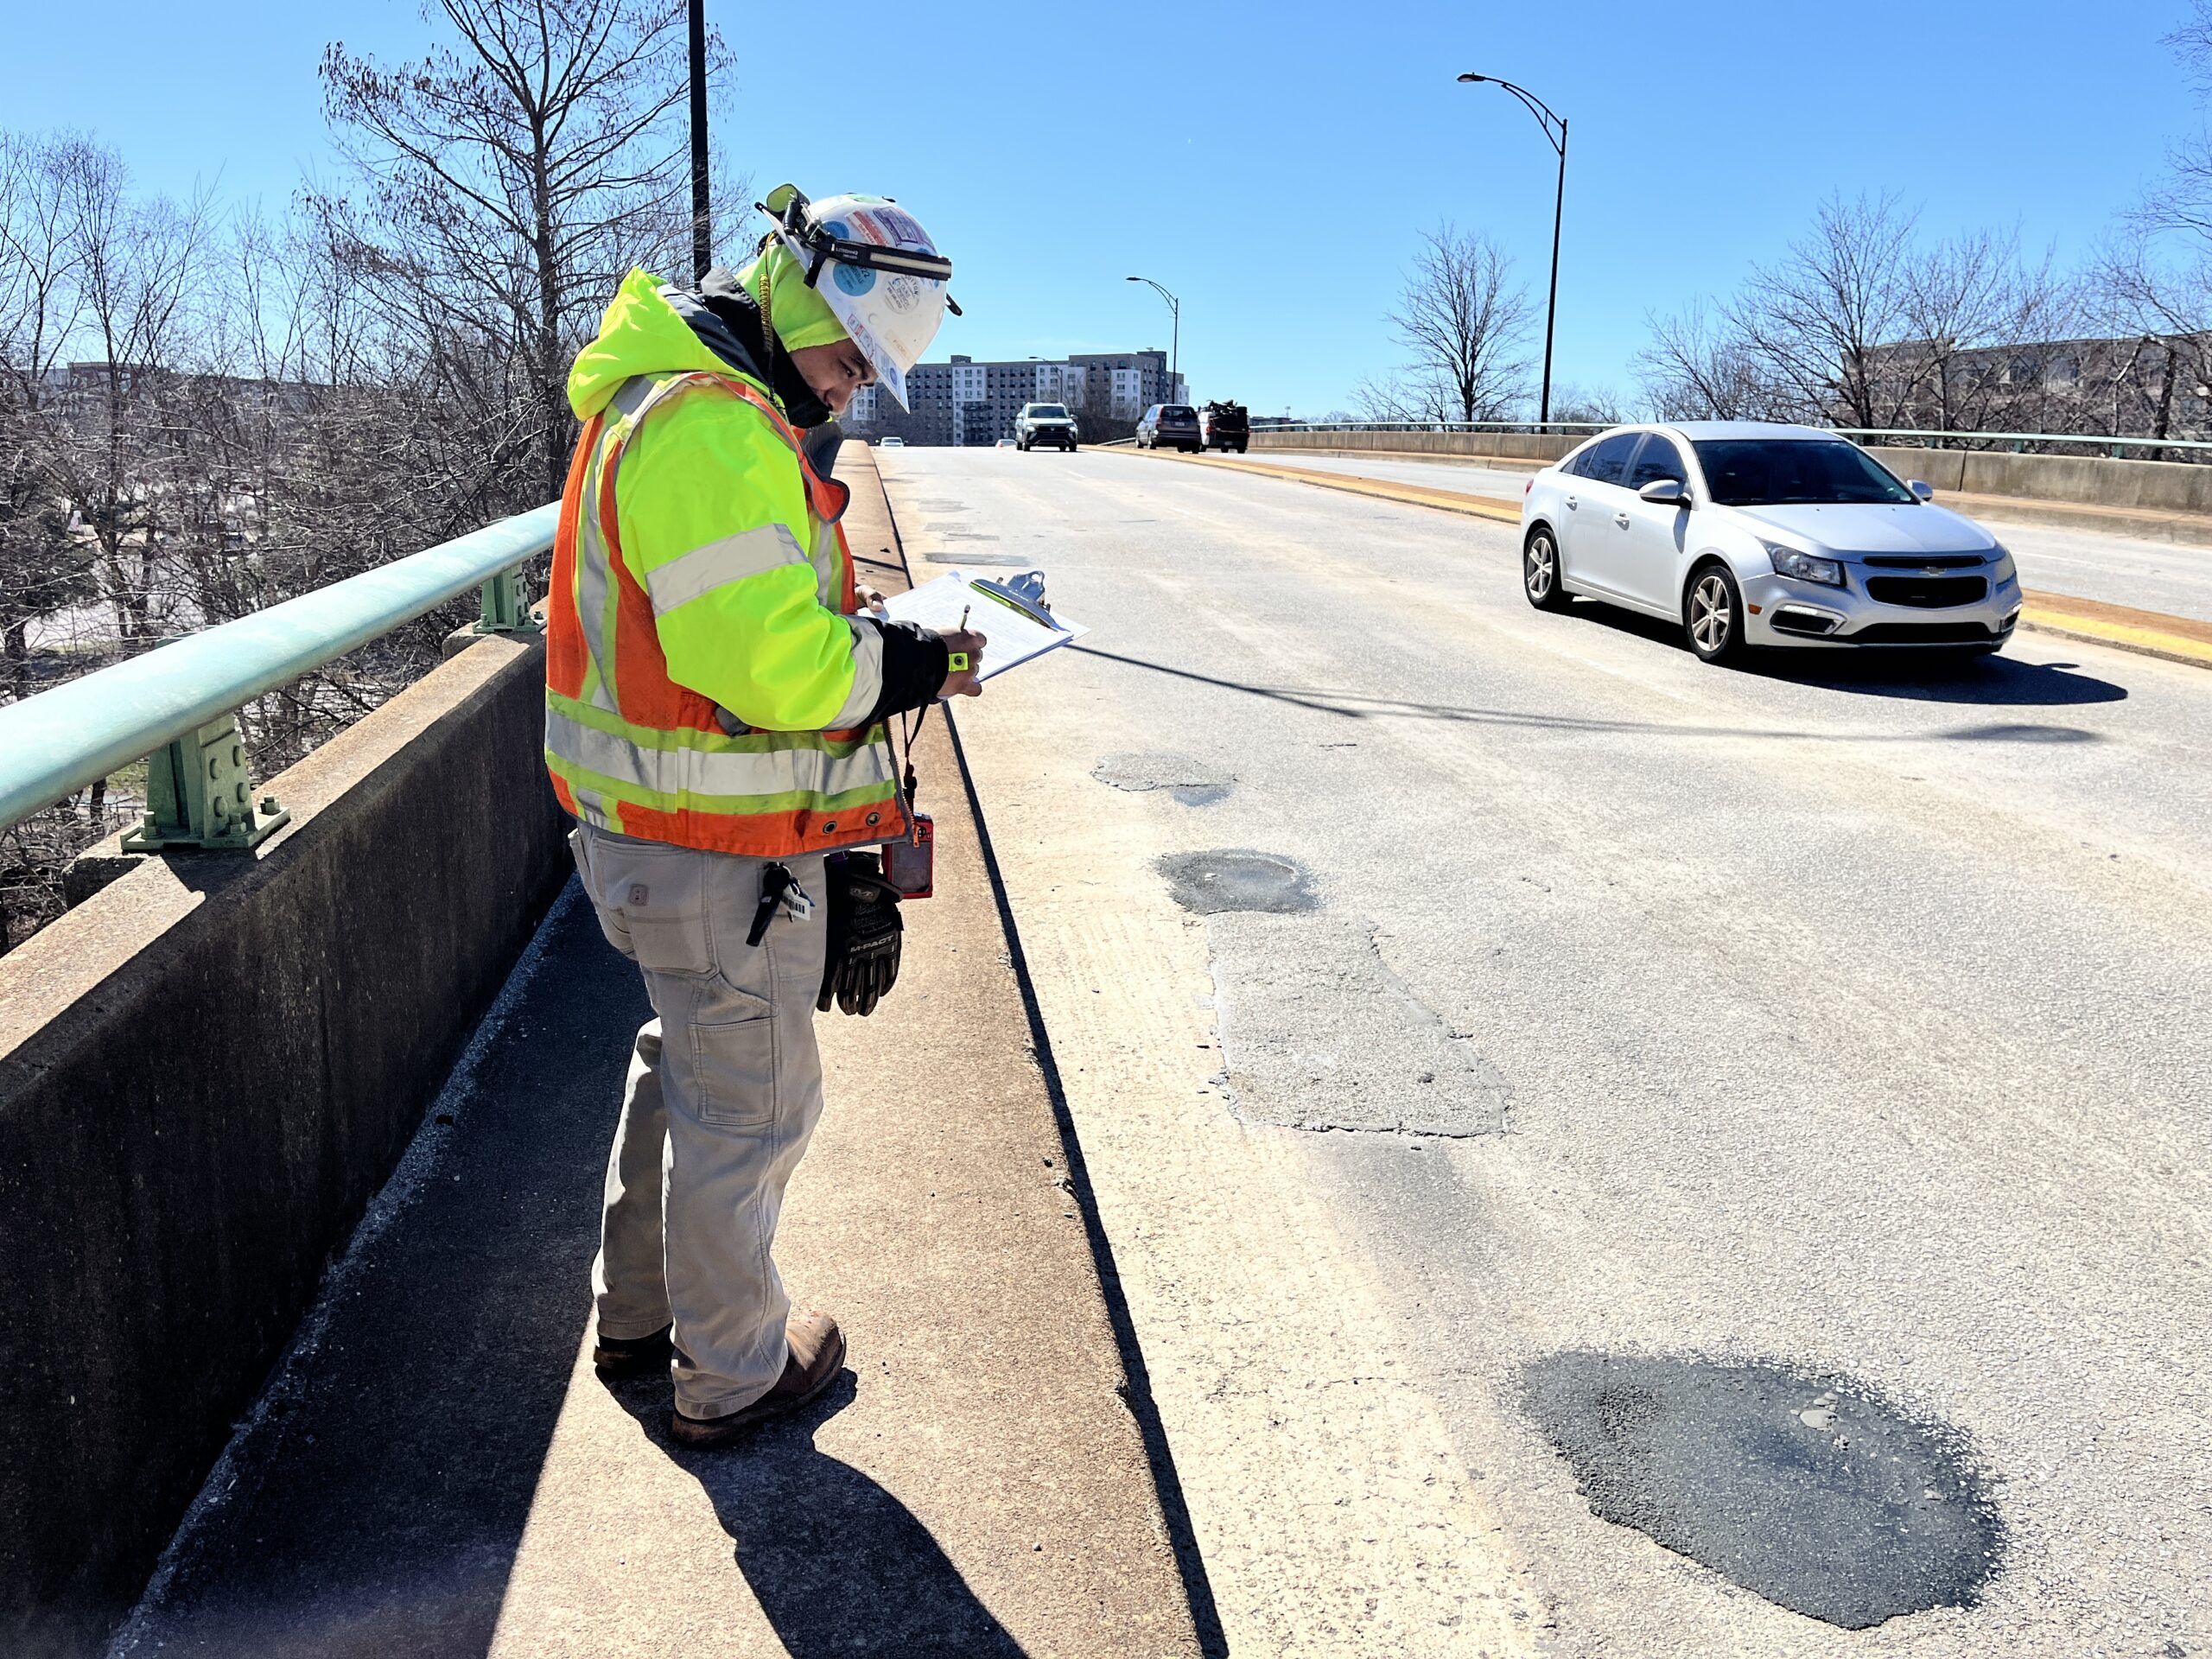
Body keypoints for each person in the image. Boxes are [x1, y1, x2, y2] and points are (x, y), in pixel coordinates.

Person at [543, 186, 983, 1448]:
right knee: (755, 1111)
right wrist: (908, 664)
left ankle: (637, 1319)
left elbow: (741, 631)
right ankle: (731, 1372)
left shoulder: (672, 400)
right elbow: (776, 669)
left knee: (687, 1072)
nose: (853, 389)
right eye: (853, 360)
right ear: (798, 296)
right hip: (710, 857)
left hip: (657, 842)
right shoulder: (714, 429)